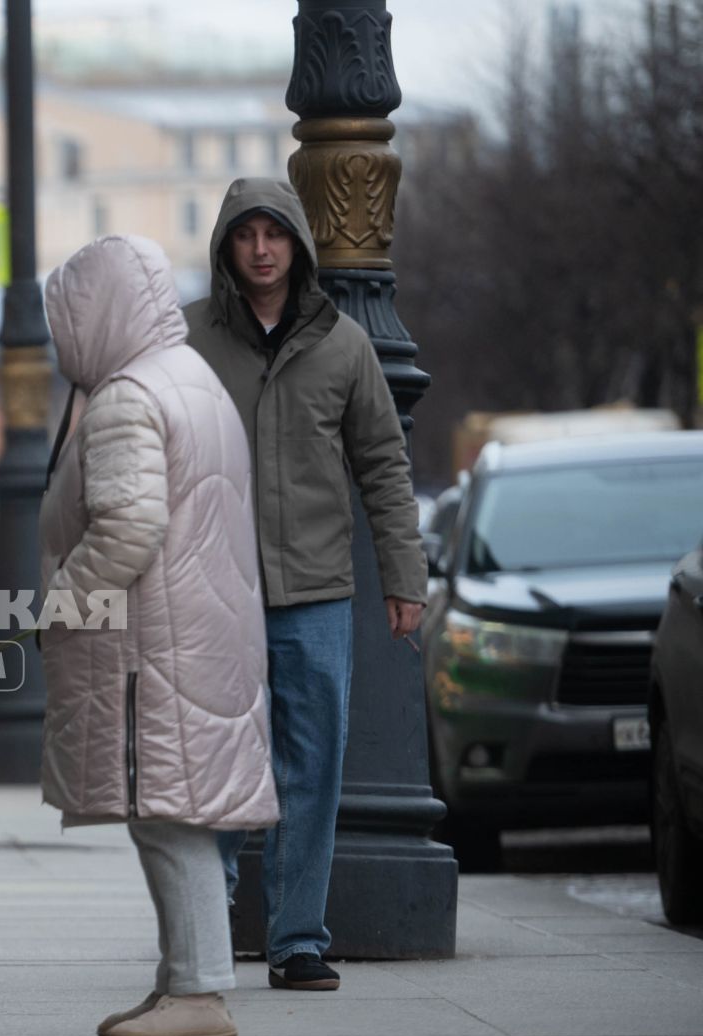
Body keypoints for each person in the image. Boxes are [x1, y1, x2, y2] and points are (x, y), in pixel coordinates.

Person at [183, 178, 427, 992]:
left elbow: (385, 468)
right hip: (214, 593)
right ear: (226, 245)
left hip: (316, 593)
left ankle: (295, 940)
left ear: (298, 245)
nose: (260, 249)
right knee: (217, 766)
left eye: (275, 234)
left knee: (310, 767)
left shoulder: (344, 344)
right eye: (246, 234)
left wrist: (404, 577)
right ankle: (205, 925)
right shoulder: (186, 339)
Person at [38, 234, 279, 1036]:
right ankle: (183, 979)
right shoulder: (192, 381)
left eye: (65, 319)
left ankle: (201, 991)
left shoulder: (126, 397)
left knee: (168, 815)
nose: (61, 338)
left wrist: (60, 602)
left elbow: (130, 527)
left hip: (151, 646)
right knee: (172, 813)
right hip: (195, 635)